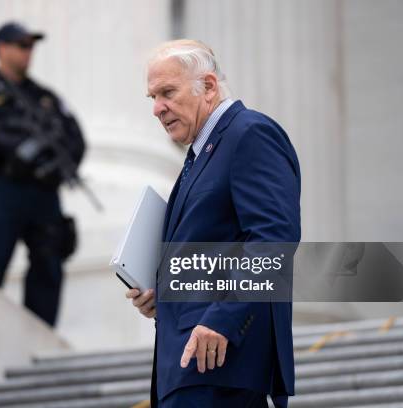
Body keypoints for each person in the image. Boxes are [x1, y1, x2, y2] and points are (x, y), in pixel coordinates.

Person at [126, 40, 301, 407]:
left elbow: (274, 238)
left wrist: (224, 316)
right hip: (190, 369)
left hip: (225, 364)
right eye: (152, 98)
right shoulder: (200, 154)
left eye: (167, 93)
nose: (158, 109)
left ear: (208, 86)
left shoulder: (249, 133)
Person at [0, 22, 86, 326]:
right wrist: (10, 149)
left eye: (30, 46)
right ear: (1, 48)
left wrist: (52, 165)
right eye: (21, 45)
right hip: (3, 186)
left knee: (49, 261)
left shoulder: (46, 98)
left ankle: (41, 331)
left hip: (44, 190)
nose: (27, 52)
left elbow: (76, 139)